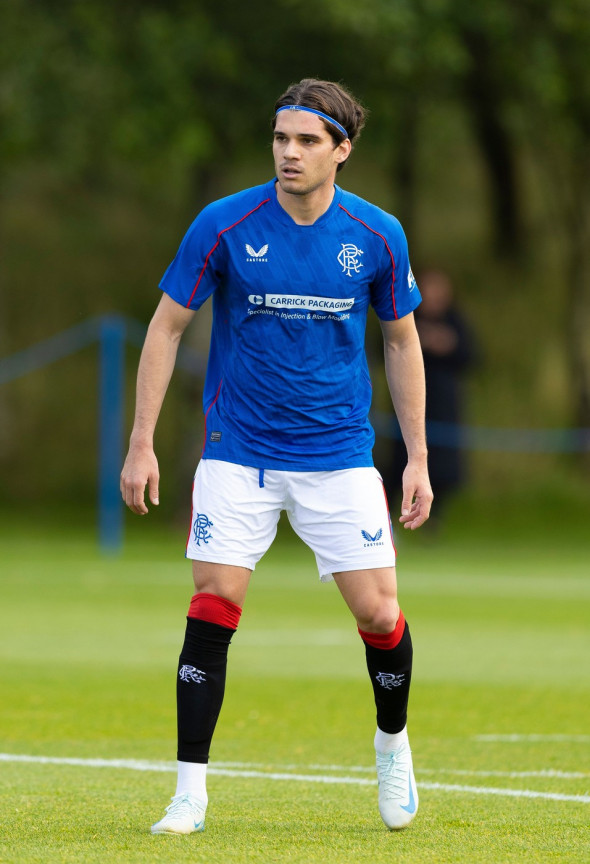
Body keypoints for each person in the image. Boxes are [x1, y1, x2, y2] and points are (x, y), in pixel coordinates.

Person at [120, 78, 432, 835]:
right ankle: (189, 790)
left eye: (307, 142)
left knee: (380, 613)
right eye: (280, 138)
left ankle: (392, 745)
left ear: (342, 151)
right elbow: (164, 329)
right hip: (240, 450)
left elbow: (400, 340)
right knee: (214, 603)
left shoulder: (378, 234)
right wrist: (142, 442)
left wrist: (416, 456)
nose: (288, 153)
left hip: (339, 455)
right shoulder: (225, 224)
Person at [384, 268, 474, 521]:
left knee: (443, 464)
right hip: (409, 406)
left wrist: (448, 344)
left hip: (444, 405)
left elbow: (471, 356)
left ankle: (434, 518)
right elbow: (387, 344)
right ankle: (393, 511)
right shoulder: (406, 317)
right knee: (398, 458)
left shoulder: (456, 321)